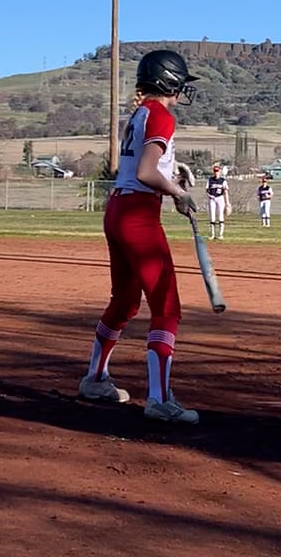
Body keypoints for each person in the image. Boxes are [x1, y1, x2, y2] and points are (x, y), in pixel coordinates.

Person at [77, 49, 204, 424]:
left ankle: (95, 378)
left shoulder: (140, 112)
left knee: (125, 301)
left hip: (118, 209)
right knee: (167, 307)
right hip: (138, 216)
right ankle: (160, 399)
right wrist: (178, 193)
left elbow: (141, 165)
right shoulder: (161, 114)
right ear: (169, 82)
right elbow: (147, 173)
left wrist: (173, 172)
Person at [205, 164, 230, 240]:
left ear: (220, 172)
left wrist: (227, 202)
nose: (216, 172)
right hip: (212, 198)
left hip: (220, 198)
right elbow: (207, 190)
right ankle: (212, 235)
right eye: (215, 171)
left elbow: (226, 191)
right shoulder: (210, 180)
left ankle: (220, 234)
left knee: (220, 216)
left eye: (217, 171)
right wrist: (209, 196)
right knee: (212, 216)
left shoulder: (223, 180)